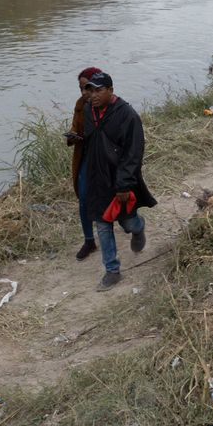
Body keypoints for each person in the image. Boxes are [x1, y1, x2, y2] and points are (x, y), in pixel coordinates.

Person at [80, 72, 156, 291]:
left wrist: (124, 183)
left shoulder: (127, 115)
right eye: (90, 90)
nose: (93, 95)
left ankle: (139, 227)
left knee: (127, 222)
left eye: (98, 91)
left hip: (120, 181)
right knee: (102, 224)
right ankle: (112, 270)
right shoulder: (88, 110)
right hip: (97, 179)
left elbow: (133, 152)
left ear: (111, 91)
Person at [67, 66, 102, 261]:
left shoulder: (111, 106)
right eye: (81, 89)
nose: (84, 93)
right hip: (85, 156)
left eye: (87, 88)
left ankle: (128, 222)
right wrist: (74, 136)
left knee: (113, 194)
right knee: (83, 197)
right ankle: (89, 240)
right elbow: (75, 127)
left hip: (105, 158)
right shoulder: (81, 104)